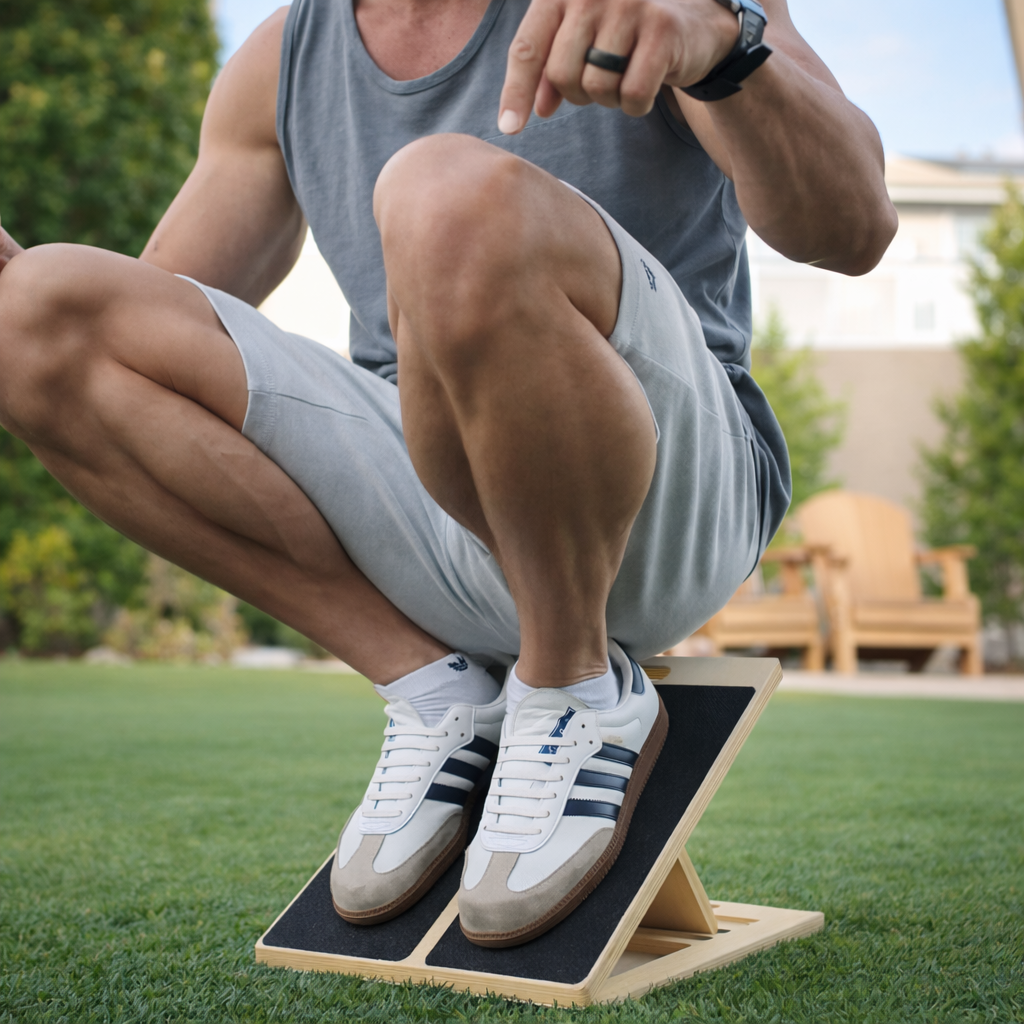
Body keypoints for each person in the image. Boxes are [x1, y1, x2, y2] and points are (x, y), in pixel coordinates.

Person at [0, 0, 895, 947]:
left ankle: (575, 687)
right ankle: (435, 693)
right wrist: (26, 300)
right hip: (431, 488)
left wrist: (719, 46)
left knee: (441, 191)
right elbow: (146, 330)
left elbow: (856, 229)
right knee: (34, 318)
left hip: (671, 491)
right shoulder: (280, 57)